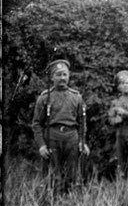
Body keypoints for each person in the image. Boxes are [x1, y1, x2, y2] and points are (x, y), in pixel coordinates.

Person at [32, 59, 89, 193]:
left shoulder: (77, 97)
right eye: (58, 75)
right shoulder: (44, 98)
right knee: (53, 176)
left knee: (72, 175)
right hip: (52, 138)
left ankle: (69, 205)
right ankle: (53, 204)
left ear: (69, 76)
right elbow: (36, 124)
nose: (62, 78)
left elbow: (82, 123)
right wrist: (41, 145)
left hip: (71, 138)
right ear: (52, 77)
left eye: (65, 74)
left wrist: (82, 142)